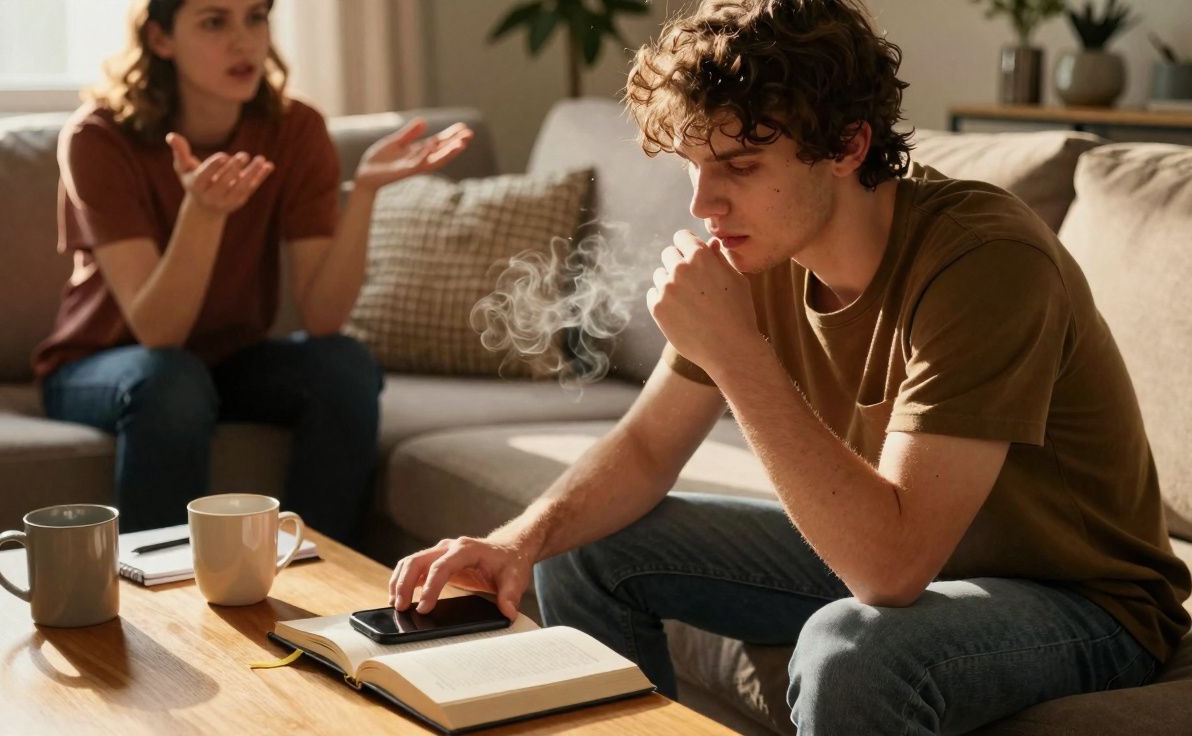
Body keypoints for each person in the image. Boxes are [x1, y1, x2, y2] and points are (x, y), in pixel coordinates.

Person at [386, 0, 1191, 732]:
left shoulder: (986, 261)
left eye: (739, 167)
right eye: (694, 168)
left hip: (1085, 603)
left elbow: (889, 569)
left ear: (847, 146)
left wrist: (736, 353)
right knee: (587, 546)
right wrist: (516, 542)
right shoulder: (761, 250)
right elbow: (643, 449)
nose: (704, 204)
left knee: (852, 651)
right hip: (922, 559)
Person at [31, 0, 472, 542]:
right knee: (172, 379)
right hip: (101, 363)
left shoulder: (295, 128)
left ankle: (318, 571)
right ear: (162, 38)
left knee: (345, 365)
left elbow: (324, 317)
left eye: (255, 18)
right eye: (214, 22)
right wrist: (205, 213)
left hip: (227, 361)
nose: (244, 42)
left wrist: (364, 196)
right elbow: (159, 334)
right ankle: (159, 599)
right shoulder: (97, 138)